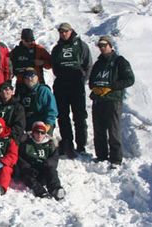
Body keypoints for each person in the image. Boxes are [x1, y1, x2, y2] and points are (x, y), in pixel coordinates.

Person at [88, 36, 135, 169]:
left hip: (113, 100)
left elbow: (129, 79)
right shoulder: (98, 63)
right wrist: (95, 87)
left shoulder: (120, 61)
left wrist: (112, 86)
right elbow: (91, 80)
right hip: (98, 100)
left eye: (104, 45)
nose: (102, 48)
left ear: (110, 45)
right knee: (99, 130)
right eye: (100, 46)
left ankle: (116, 159)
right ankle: (101, 156)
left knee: (113, 130)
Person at [51, 22, 92, 157]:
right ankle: (68, 143)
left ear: (71, 31)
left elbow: (88, 65)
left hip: (76, 86)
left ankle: (81, 145)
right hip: (61, 86)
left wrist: (82, 80)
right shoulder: (57, 48)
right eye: (61, 32)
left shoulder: (81, 45)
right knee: (62, 116)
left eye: (66, 31)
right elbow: (54, 66)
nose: (63, 34)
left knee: (79, 116)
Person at [18, 121, 65, 200]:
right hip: (31, 171)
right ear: (33, 133)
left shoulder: (50, 144)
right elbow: (20, 159)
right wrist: (28, 168)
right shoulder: (26, 144)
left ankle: (56, 189)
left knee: (52, 171)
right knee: (27, 177)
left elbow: (54, 158)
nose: (39, 135)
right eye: (37, 132)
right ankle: (40, 192)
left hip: (44, 170)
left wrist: (48, 163)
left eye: (42, 132)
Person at [16, 68, 58, 136]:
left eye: (32, 76)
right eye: (27, 77)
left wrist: (47, 125)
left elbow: (52, 111)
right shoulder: (21, 92)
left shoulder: (44, 91)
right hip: (28, 125)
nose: (30, 79)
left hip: (43, 124)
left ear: (37, 78)